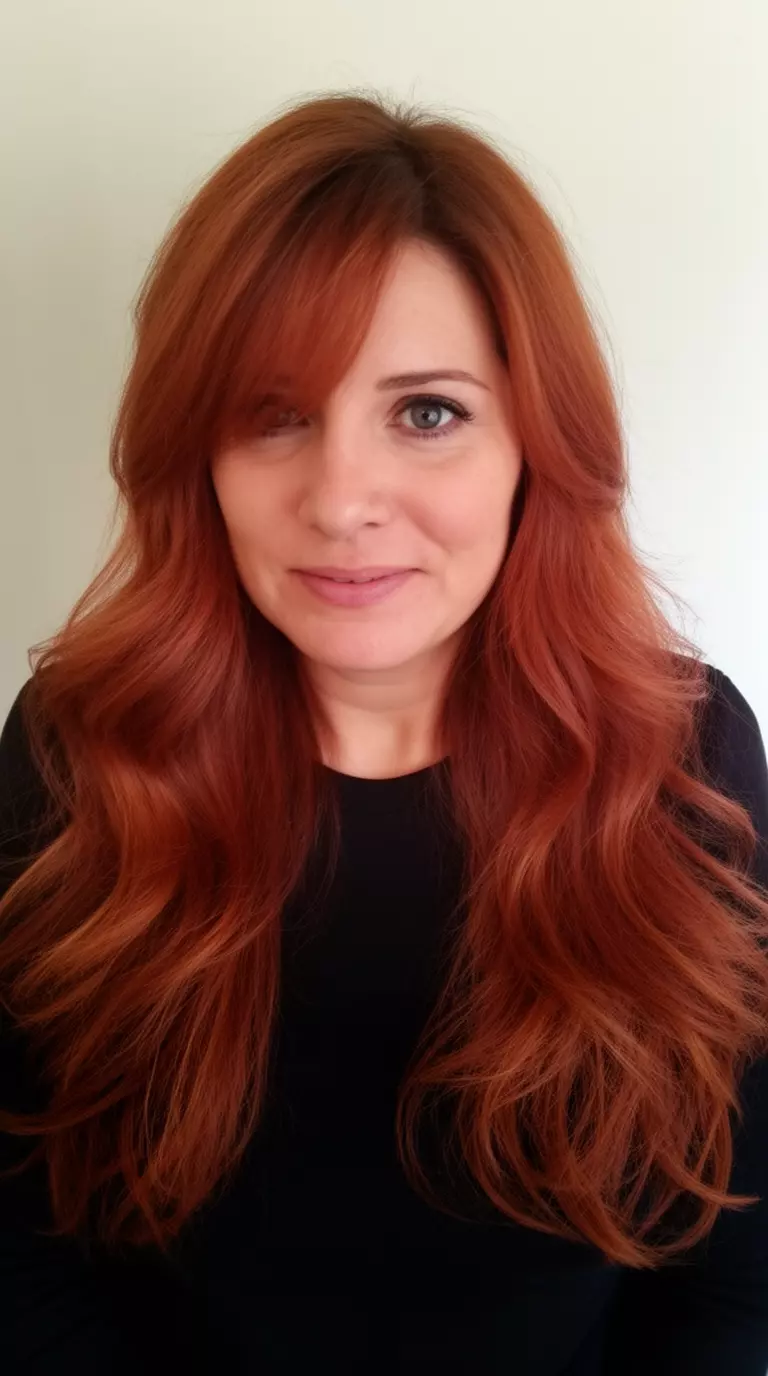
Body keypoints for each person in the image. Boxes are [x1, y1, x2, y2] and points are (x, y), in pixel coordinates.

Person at [1, 90, 768, 1376]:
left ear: (536, 442)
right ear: (199, 454)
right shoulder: (82, 752)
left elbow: (736, 1260)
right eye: (274, 413)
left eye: (426, 412)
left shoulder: (682, 757)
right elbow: (25, 1247)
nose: (341, 499)